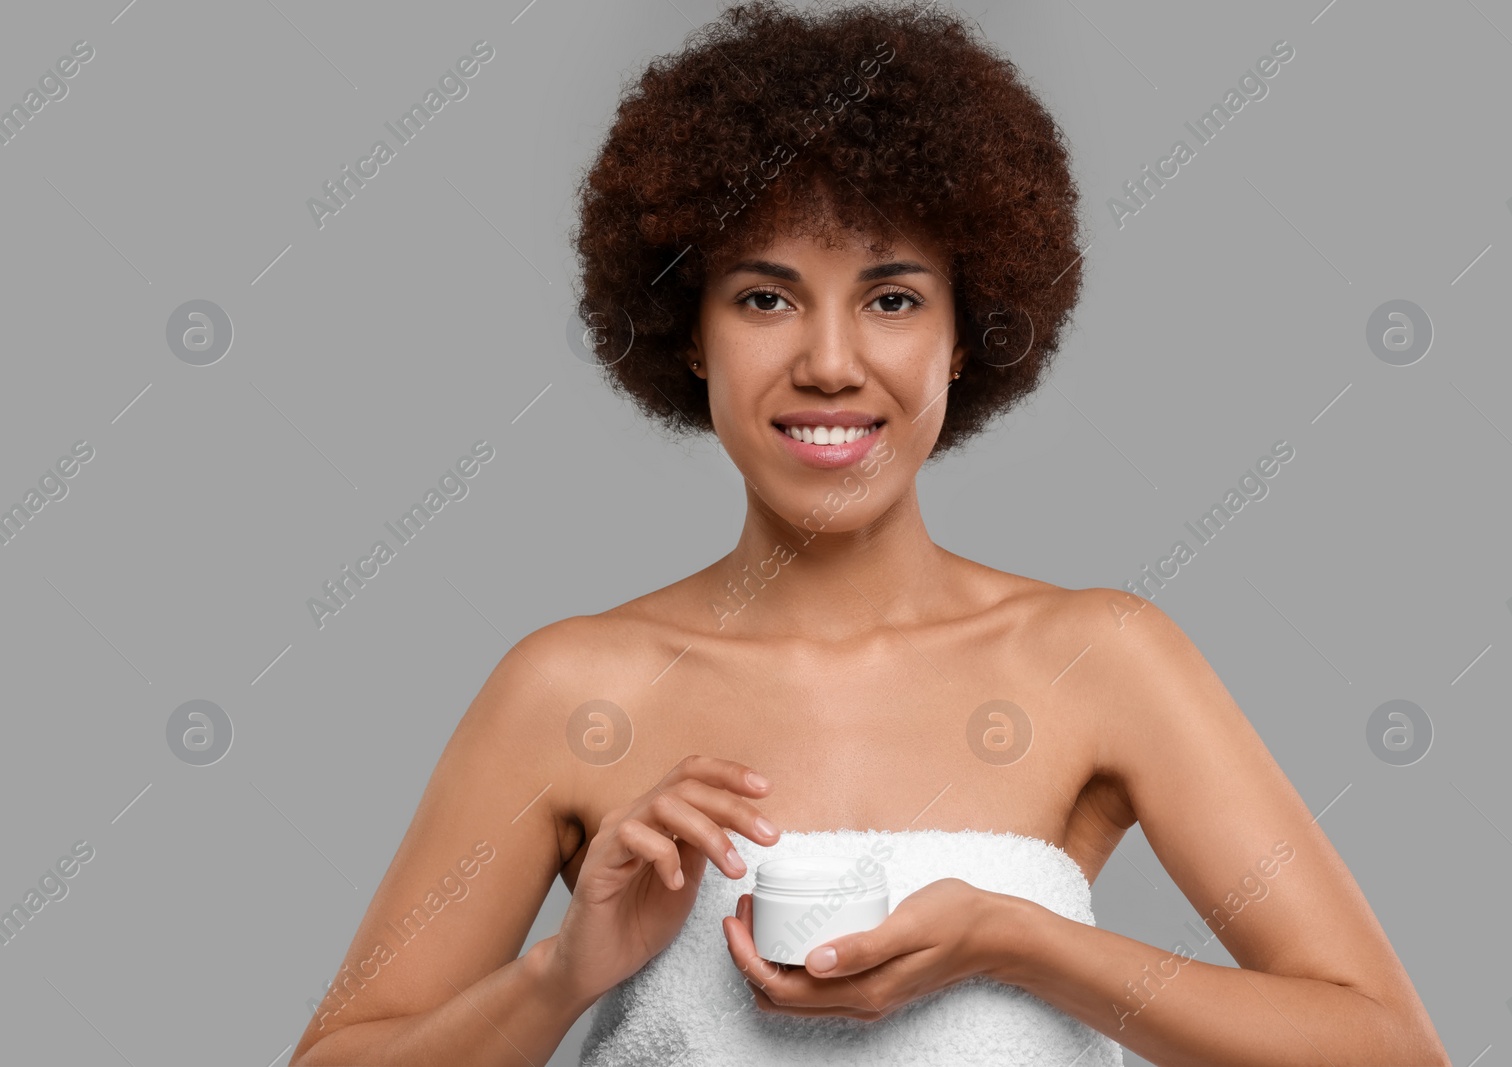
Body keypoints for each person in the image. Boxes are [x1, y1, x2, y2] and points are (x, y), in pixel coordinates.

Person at [290, 2, 1450, 1064]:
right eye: (764, 297)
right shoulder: (568, 690)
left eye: (891, 298)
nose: (831, 363)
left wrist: (1017, 940)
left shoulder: (1101, 659)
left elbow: (1387, 1047)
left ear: (963, 333)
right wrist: (564, 970)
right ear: (689, 333)